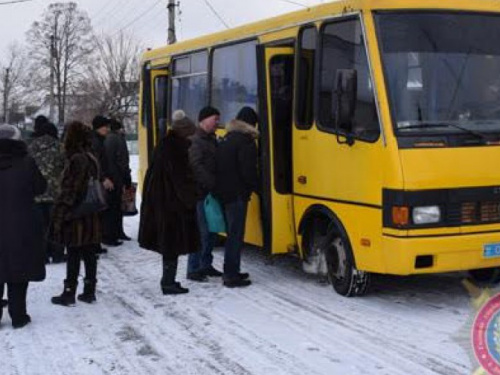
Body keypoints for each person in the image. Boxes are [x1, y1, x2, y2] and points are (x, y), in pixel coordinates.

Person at [139, 110, 199, 295]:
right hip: (171, 206)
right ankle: (168, 283)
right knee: (171, 244)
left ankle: (169, 280)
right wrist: (192, 198)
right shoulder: (176, 149)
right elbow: (181, 180)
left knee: (169, 244)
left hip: (163, 203)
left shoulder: (165, 146)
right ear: (184, 131)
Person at [50, 121, 102, 306]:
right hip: (91, 212)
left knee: (73, 252)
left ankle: (69, 292)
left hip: (76, 214)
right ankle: (89, 291)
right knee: (89, 252)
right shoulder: (91, 156)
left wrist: (62, 209)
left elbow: (71, 189)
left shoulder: (76, 159)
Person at [0, 125, 47, 328]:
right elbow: (40, 187)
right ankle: (18, 316)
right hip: (21, 224)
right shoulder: (27, 162)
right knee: (19, 270)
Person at [215, 107, 260, 288]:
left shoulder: (228, 138)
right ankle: (231, 275)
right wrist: (258, 188)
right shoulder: (246, 142)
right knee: (235, 236)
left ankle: (232, 271)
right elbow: (247, 172)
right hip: (237, 195)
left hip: (225, 194)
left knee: (231, 235)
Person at [187, 106, 222, 282]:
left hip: (210, 193)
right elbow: (196, 166)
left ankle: (206, 264)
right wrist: (212, 183)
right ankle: (193, 268)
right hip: (200, 194)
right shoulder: (196, 141)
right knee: (201, 232)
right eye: (215, 119)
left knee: (211, 231)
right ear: (204, 120)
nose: (217, 123)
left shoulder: (211, 140)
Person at [28, 121, 65, 263]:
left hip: (36, 194)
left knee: (39, 227)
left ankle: (41, 256)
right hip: (56, 193)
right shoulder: (60, 147)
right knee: (56, 225)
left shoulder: (31, 147)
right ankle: (57, 254)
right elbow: (65, 168)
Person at [105, 119, 132, 242]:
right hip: (117, 177)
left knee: (110, 207)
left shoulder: (105, 138)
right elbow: (122, 161)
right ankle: (115, 234)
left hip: (108, 177)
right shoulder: (118, 139)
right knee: (116, 207)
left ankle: (112, 233)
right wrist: (127, 178)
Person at [91, 115, 116, 250]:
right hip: (98, 182)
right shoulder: (96, 142)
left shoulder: (99, 140)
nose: (107, 129)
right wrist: (103, 178)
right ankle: (96, 243)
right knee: (99, 211)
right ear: (98, 128)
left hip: (99, 179)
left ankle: (97, 242)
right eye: (105, 126)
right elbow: (97, 163)